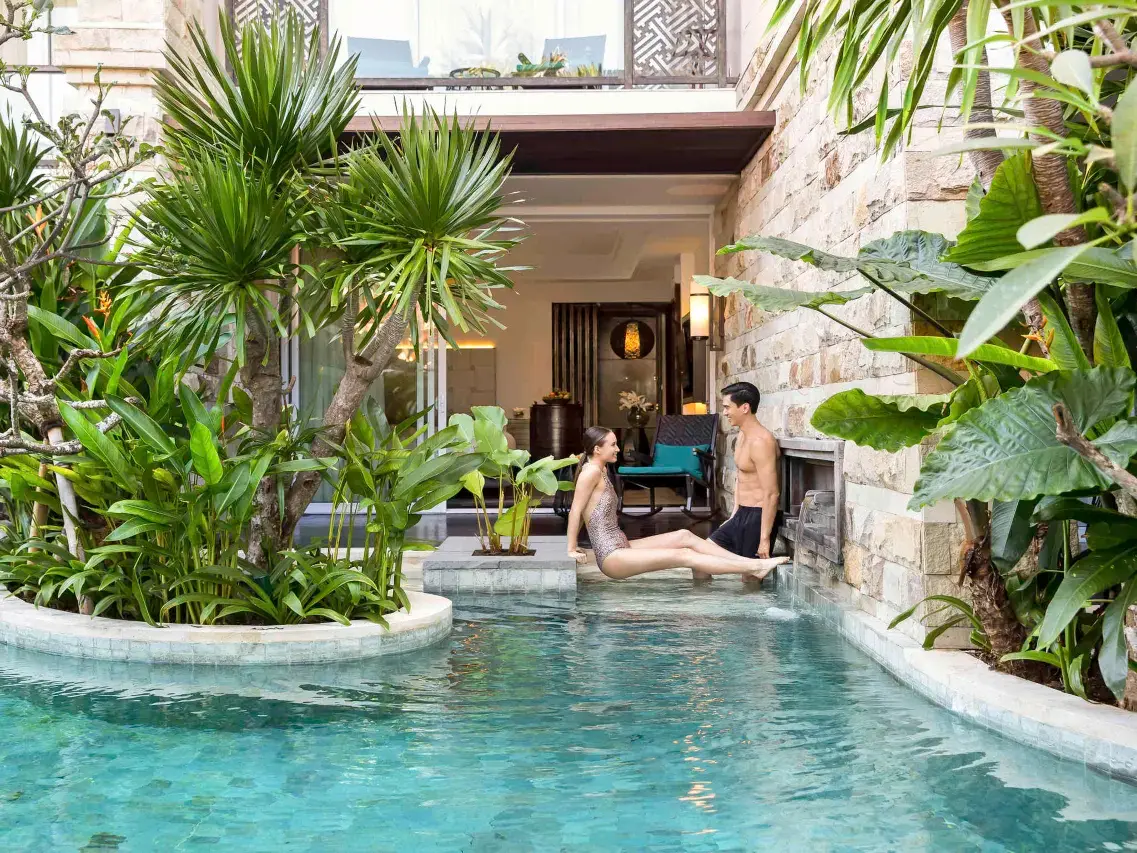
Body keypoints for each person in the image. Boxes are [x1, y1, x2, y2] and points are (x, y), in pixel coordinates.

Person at [566, 426, 789, 580]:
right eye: (613, 445)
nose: (617, 448)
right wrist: (571, 548)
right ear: (597, 449)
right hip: (611, 557)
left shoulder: (601, 468)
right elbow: (575, 511)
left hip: (621, 544)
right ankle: (755, 566)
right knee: (684, 555)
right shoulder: (590, 473)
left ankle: (746, 563)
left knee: (684, 535)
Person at [710, 381, 783, 562]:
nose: (725, 412)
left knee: (750, 577)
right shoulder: (742, 435)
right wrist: (734, 515)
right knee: (701, 562)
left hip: (758, 518)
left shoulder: (761, 441)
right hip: (742, 513)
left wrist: (764, 538)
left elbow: (772, 493)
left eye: (727, 407)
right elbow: (741, 478)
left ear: (744, 407)